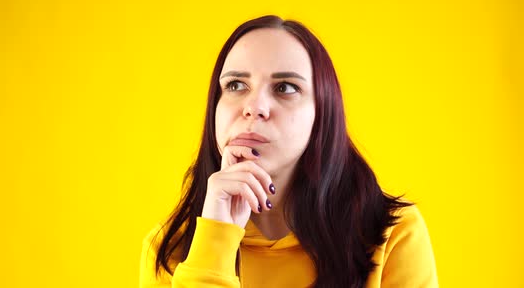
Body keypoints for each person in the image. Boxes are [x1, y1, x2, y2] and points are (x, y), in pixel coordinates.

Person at [139, 15, 438, 287]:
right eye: (235, 85)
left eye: (284, 88)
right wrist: (215, 240)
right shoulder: (169, 251)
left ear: (322, 113)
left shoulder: (392, 235)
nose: (254, 107)